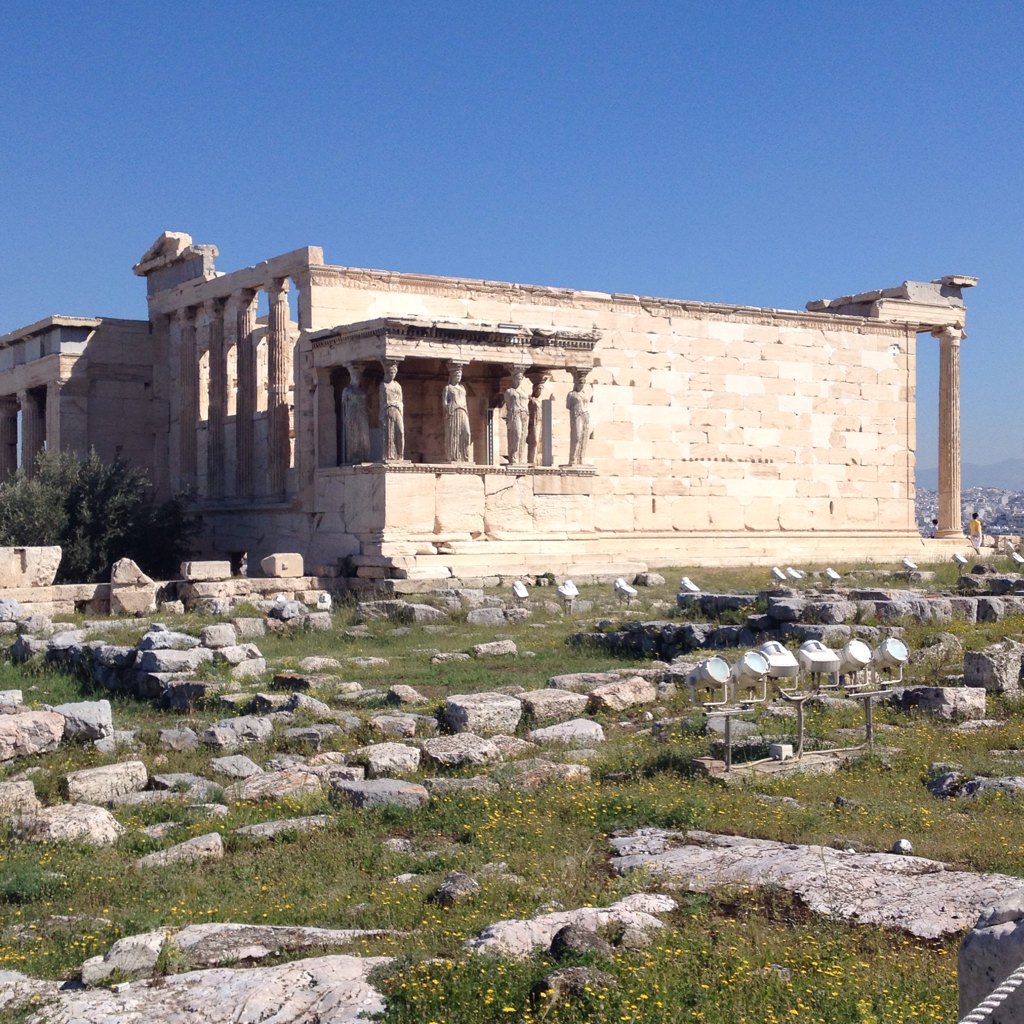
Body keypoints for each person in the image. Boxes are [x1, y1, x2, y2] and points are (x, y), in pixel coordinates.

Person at [442, 364, 471, 463]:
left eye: (460, 376)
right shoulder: (447, 388)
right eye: (457, 375)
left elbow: (465, 401)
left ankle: (464, 456)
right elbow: (444, 403)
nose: (459, 377)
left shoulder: (463, 388)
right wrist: (449, 409)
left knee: (466, 433)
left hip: (463, 412)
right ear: (453, 376)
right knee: (454, 434)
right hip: (453, 412)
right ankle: (454, 456)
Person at [380, 361, 404, 461]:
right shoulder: (383, 385)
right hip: (388, 410)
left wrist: (398, 406)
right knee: (389, 433)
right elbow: (382, 401)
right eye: (390, 372)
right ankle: (390, 456)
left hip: (398, 410)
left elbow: (401, 400)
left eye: (394, 373)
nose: (392, 374)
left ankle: (400, 455)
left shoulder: (398, 385)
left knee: (400, 431)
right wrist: (381, 415)